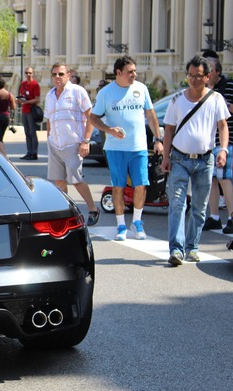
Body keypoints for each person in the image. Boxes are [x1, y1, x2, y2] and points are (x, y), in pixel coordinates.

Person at [161, 56, 230, 266]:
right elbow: (169, 129)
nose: (193, 80)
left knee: (200, 207)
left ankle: (192, 247)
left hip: (205, 160)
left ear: (208, 76)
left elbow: (222, 126)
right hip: (179, 158)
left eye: (198, 76)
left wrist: (223, 150)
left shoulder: (216, 99)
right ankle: (176, 249)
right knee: (178, 204)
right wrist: (165, 156)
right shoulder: (177, 100)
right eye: (190, 75)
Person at [89, 55, 163, 241]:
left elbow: (151, 115)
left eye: (135, 71)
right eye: (130, 72)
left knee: (141, 185)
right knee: (118, 187)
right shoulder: (106, 93)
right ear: (118, 73)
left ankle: (137, 222)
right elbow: (93, 118)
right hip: (115, 148)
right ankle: (121, 225)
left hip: (138, 147)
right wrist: (109, 130)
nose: (134, 75)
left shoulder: (141, 88)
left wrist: (158, 139)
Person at [44, 63, 100, 225]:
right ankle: (66, 213)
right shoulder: (49, 95)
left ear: (68, 74)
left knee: (76, 180)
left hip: (73, 143)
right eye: (54, 74)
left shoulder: (77, 92)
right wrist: (49, 137)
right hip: (55, 143)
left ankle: (93, 209)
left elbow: (91, 117)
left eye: (61, 74)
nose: (57, 78)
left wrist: (86, 141)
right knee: (59, 181)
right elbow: (49, 120)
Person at [202, 57, 233, 234]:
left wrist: (222, 104)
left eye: (210, 69)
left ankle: (231, 217)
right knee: (211, 179)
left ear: (218, 71)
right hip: (208, 141)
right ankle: (214, 217)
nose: (208, 73)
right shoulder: (205, 90)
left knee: (224, 177)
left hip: (227, 141)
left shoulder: (228, 86)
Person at [17, 67, 41, 160]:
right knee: (27, 132)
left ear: (33, 73)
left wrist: (27, 102)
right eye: (26, 73)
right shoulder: (23, 84)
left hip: (31, 110)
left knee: (32, 132)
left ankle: (34, 153)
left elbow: (37, 99)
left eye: (30, 73)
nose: (28, 74)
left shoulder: (35, 84)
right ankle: (29, 152)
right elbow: (22, 96)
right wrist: (19, 100)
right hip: (24, 110)